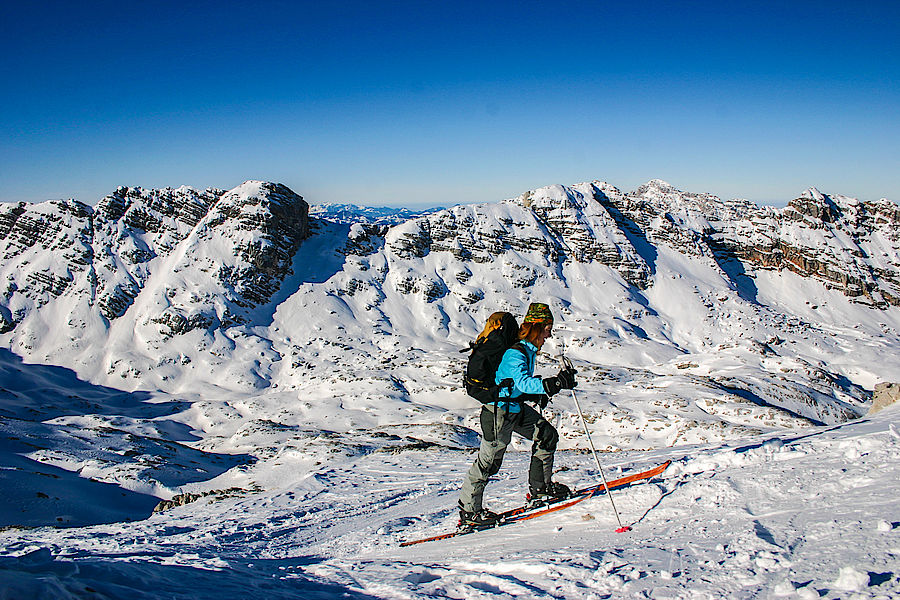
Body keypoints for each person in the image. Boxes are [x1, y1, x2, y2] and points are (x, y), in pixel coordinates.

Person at [457, 302, 577, 529]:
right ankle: (469, 511)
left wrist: (537, 394)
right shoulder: (516, 352)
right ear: (538, 327)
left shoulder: (527, 351)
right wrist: (553, 383)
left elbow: (514, 384)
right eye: (548, 328)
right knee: (489, 462)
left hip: (513, 408)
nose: (549, 335)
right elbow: (522, 381)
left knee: (546, 435)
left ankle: (540, 489)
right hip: (498, 413)